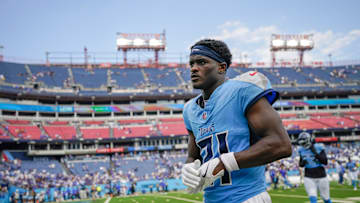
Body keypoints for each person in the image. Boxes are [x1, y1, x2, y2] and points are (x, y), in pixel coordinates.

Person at [181, 39, 292, 203]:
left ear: (221, 67)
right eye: (191, 64)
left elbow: (281, 144)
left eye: (202, 62)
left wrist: (225, 163)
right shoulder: (189, 109)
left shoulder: (243, 90)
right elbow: (193, 156)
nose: (194, 69)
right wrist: (189, 168)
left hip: (247, 197)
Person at [297, 132, 332, 203]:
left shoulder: (318, 147)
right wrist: (302, 162)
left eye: (304, 142)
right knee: (312, 196)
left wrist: (315, 152)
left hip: (321, 175)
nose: (303, 145)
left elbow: (325, 162)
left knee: (326, 198)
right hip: (308, 176)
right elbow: (301, 164)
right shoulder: (301, 150)